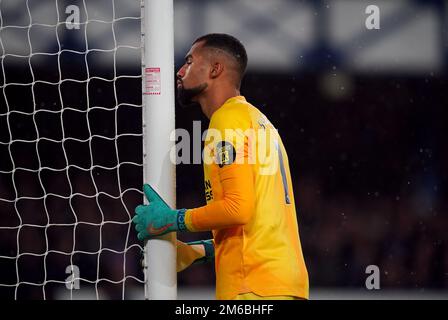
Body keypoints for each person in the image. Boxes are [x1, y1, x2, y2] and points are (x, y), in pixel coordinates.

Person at [132, 33, 309, 300]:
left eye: (189, 61)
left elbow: (238, 209)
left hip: (252, 289)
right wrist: (198, 251)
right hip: (281, 285)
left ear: (215, 69)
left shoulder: (227, 121)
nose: (180, 71)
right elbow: (261, 225)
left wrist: (173, 220)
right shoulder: (259, 122)